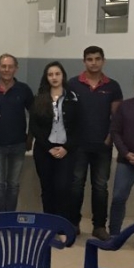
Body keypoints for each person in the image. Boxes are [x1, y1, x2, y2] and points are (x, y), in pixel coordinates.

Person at [68, 46, 123, 240]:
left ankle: (99, 226)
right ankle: (72, 224)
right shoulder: (73, 84)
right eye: (90, 59)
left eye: (97, 59)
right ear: (84, 61)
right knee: (76, 185)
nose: (93, 63)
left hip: (102, 146)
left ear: (103, 61)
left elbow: (117, 118)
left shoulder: (113, 86)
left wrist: (110, 139)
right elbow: (67, 114)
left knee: (100, 187)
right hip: (78, 146)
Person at [30, 62, 79, 221]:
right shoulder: (39, 98)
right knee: (47, 188)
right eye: (50, 74)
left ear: (63, 76)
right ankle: (49, 222)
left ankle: (63, 223)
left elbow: (79, 126)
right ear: (46, 77)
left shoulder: (73, 98)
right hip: (44, 150)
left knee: (63, 188)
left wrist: (66, 147)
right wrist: (48, 147)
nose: (54, 77)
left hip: (66, 150)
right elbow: (34, 126)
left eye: (57, 74)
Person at [0, 53, 34, 213]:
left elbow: (34, 114)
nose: (7, 69)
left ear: (16, 69)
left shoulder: (24, 89)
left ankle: (10, 217)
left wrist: (30, 137)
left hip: (19, 144)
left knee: (13, 184)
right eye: (3, 66)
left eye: (10, 66)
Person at [109, 70, 134, 249]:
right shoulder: (125, 106)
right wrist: (126, 153)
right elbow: (115, 131)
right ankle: (114, 235)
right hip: (126, 161)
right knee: (118, 197)